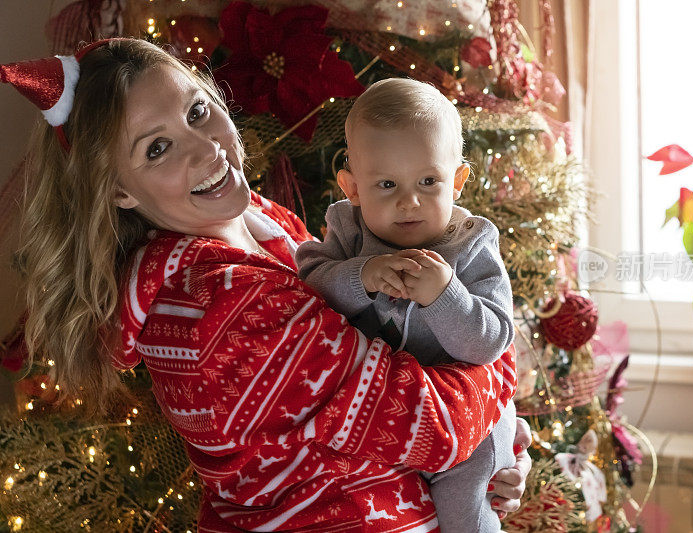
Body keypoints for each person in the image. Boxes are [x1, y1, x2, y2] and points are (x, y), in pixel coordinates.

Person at [4, 38, 531, 532]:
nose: (205, 150)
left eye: (196, 112)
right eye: (158, 148)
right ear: (118, 189)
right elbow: (431, 426)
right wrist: (493, 374)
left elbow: (429, 391)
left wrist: (499, 451)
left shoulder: (263, 223)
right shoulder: (213, 306)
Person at [296, 78, 516, 533]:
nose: (408, 200)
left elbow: (492, 342)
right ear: (353, 187)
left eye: (428, 181)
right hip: (388, 420)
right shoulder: (348, 231)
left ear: (456, 182)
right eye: (388, 183)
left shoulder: (472, 244)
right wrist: (361, 275)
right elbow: (309, 286)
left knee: (463, 511)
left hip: (467, 430)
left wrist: (446, 295)